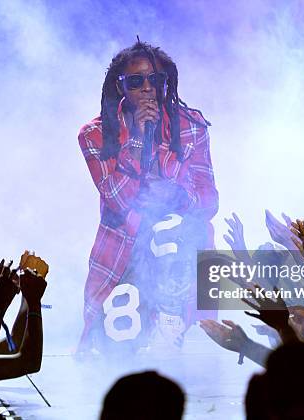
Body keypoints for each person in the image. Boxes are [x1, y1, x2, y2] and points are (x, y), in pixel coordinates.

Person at [78, 41, 218, 353]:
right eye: (136, 81)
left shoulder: (191, 127)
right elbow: (117, 199)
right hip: (123, 245)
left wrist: (178, 194)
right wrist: (139, 140)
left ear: (166, 84)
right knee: (114, 351)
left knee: (172, 226)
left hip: (180, 247)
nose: (147, 89)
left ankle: (172, 324)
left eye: (156, 80)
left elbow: (209, 202)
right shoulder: (95, 134)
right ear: (121, 86)